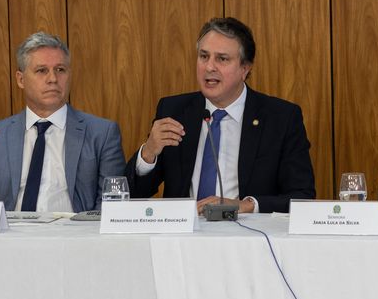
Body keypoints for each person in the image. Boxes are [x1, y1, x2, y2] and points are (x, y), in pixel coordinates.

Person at [125, 17, 315, 213]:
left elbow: (302, 196)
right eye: (204, 56)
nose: (209, 67)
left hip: (247, 237)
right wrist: (148, 153)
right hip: (185, 237)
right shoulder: (174, 111)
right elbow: (133, 194)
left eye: (222, 59)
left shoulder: (280, 118)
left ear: (245, 68)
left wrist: (246, 205)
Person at [0, 32, 126, 212]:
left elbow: (111, 206)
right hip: (12, 237)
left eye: (60, 70)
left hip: (76, 236)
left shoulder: (103, 133)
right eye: (41, 70)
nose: (52, 79)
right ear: (20, 79)